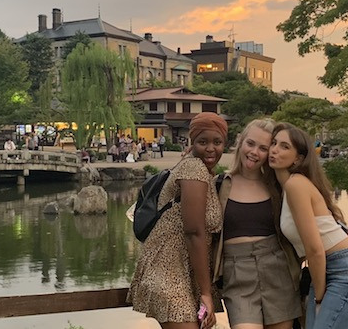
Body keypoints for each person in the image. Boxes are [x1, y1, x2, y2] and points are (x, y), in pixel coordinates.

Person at [268, 123, 348, 329]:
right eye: (273, 143)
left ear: (298, 158)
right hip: (327, 271)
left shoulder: (295, 184)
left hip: (344, 272)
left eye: (284, 146)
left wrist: (318, 300)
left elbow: (315, 249)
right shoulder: (289, 188)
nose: (274, 149)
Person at [129, 112, 228, 329]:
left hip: (182, 274)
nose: (211, 148)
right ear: (192, 143)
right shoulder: (193, 168)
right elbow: (194, 232)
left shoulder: (202, 171)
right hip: (169, 272)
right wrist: (205, 292)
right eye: (203, 142)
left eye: (217, 142)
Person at [216, 118, 302, 329]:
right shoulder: (219, 185)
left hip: (277, 269)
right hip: (237, 272)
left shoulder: (278, 187)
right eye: (250, 143)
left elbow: (310, 214)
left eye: (263, 148)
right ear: (241, 142)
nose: (254, 152)